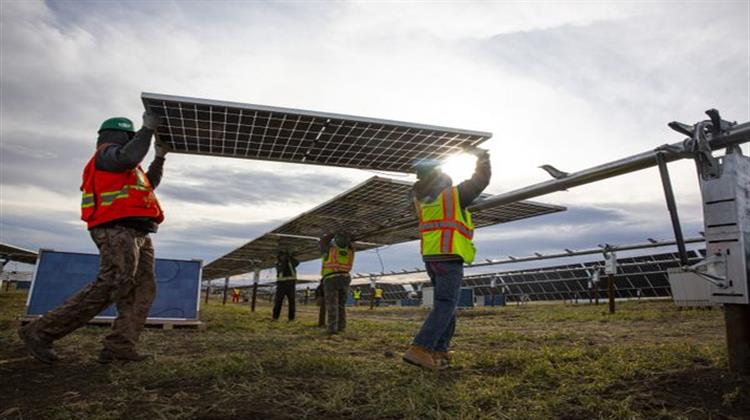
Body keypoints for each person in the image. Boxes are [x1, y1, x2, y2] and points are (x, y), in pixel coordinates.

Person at [19, 113, 166, 364]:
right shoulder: (107, 154)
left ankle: (120, 346)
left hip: (139, 232)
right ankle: (40, 332)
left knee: (142, 289)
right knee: (112, 283)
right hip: (116, 229)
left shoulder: (129, 168)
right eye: (132, 137)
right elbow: (129, 155)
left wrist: (159, 158)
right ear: (123, 136)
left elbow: (149, 184)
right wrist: (147, 130)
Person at [403, 148, 491, 370]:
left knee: (447, 304)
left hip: (431, 256)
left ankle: (439, 348)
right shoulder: (453, 194)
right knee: (445, 303)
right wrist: (482, 157)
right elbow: (481, 180)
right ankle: (420, 348)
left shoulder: (419, 199)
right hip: (448, 255)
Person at [320, 231, 354, 334]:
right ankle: (341, 327)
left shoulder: (330, 250)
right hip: (345, 278)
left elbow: (323, 241)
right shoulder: (350, 250)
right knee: (341, 305)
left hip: (331, 279)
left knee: (332, 305)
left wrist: (333, 233)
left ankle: (332, 329)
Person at [272, 249, 299, 321]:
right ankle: (275, 317)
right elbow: (282, 268)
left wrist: (290, 257)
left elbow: (297, 263)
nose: (283, 257)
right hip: (281, 285)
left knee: (292, 302)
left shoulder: (291, 262)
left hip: (291, 285)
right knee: (278, 301)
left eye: (284, 255)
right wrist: (286, 259)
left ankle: (291, 318)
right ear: (279, 257)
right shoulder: (278, 263)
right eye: (282, 256)